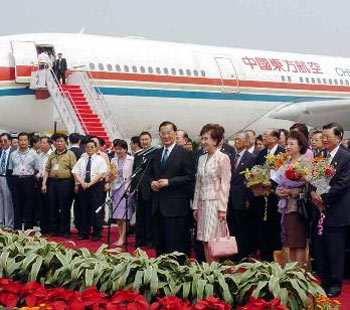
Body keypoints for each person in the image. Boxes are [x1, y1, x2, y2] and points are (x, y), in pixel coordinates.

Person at [311, 123, 350, 298]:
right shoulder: (320, 155)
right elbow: (313, 177)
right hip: (319, 210)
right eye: (323, 137)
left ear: (339, 136)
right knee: (320, 247)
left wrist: (323, 198)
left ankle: (335, 283)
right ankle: (324, 279)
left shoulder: (346, 157)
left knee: (335, 249)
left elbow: (343, 183)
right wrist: (312, 192)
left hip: (336, 210)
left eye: (328, 137)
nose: (324, 140)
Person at [149, 121, 195, 256]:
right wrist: (152, 182)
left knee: (176, 244)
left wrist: (169, 182)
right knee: (160, 243)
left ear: (175, 134)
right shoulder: (156, 153)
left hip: (176, 208)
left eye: (169, 133)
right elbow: (150, 174)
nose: (166, 136)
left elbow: (190, 177)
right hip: (158, 206)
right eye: (163, 133)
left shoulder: (184, 153)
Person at [192, 124, 231, 263]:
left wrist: (222, 209)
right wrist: (195, 205)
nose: (203, 142)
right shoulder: (202, 158)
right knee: (203, 239)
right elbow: (198, 183)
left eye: (206, 138)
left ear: (215, 140)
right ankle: (208, 270)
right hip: (202, 203)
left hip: (215, 204)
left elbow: (225, 185)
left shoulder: (222, 158)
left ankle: (214, 272)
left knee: (213, 241)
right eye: (202, 138)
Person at [275, 130, 310, 266]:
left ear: (300, 146)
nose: (288, 146)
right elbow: (279, 182)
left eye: (292, 144)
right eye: (287, 143)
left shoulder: (305, 162)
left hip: (297, 208)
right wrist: (278, 191)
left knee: (298, 242)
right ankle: (291, 272)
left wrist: (291, 192)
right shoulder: (285, 162)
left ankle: (299, 273)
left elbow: (309, 187)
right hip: (285, 207)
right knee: (289, 241)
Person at [254, 128, 285, 261]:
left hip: (276, 197)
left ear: (275, 139)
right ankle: (265, 258)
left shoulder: (282, 153)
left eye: (266, 135)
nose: (264, 137)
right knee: (262, 228)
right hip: (261, 196)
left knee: (275, 228)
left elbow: (285, 175)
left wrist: (271, 184)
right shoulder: (261, 154)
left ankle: (275, 259)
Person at [227, 131, 256, 261]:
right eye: (235, 139)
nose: (236, 142)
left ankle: (242, 254)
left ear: (246, 142)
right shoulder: (231, 156)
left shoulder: (251, 158)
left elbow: (251, 180)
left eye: (239, 139)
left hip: (242, 197)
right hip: (229, 197)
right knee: (231, 226)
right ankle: (231, 253)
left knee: (242, 228)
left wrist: (248, 199)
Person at [72, 140, 108, 241]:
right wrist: (82, 183)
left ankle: (96, 233)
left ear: (96, 148)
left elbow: (101, 174)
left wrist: (90, 183)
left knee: (96, 210)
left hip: (96, 186)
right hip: (83, 187)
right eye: (87, 147)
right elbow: (75, 172)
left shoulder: (100, 160)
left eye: (92, 147)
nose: (89, 149)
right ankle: (84, 232)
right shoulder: (82, 159)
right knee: (84, 210)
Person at [41, 134, 76, 237]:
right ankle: (53, 230)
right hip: (52, 182)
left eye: (61, 141)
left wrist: (76, 185)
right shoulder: (52, 154)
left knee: (65, 207)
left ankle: (65, 231)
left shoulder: (70, 154)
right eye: (57, 141)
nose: (59, 143)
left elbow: (74, 171)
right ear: (54, 143)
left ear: (66, 142)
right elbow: (47, 170)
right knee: (52, 206)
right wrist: (44, 184)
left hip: (66, 183)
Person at [8, 132, 40, 230]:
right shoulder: (13, 154)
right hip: (16, 180)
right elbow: (10, 169)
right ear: (18, 141)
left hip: (28, 180)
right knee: (17, 205)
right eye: (20, 140)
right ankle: (17, 228)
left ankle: (28, 228)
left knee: (29, 205)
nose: (22, 142)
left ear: (28, 141)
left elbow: (37, 169)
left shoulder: (34, 154)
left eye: (25, 140)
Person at [110, 139, 134, 246]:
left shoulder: (131, 160)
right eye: (117, 149)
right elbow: (112, 173)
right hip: (116, 189)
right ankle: (120, 236)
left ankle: (123, 238)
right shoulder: (113, 160)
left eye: (121, 149)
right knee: (117, 216)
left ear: (125, 149)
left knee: (124, 216)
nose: (118, 151)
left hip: (126, 189)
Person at [134, 131, 155, 247]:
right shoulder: (138, 155)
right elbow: (135, 172)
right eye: (142, 140)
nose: (144, 142)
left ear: (151, 140)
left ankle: (150, 239)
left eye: (146, 139)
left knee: (150, 216)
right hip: (139, 190)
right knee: (139, 216)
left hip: (150, 190)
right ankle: (140, 239)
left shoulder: (155, 153)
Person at [35, 136, 52, 234]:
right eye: (41, 143)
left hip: (49, 181)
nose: (42, 145)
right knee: (40, 205)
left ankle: (50, 228)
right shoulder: (40, 155)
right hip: (39, 180)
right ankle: (43, 228)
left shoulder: (52, 155)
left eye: (44, 143)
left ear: (49, 144)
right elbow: (39, 169)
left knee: (49, 205)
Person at [0, 133, 14, 228]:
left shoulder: (14, 152)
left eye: (5, 140)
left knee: (8, 202)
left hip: (7, 178)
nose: (3, 143)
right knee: (0, 202)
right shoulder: (0, 151)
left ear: (10, 141)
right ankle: (1, 222)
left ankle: (9, 224)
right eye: (1, 141)